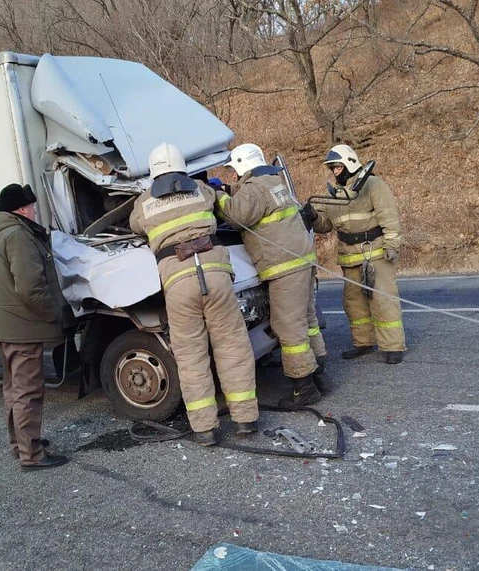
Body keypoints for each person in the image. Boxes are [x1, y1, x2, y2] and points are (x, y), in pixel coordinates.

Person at [130, 143, 259, 446]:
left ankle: (204, 428)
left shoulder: (145, 201)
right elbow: (219, 201)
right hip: (215, 274)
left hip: (178, 281)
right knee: (232, 345)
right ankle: (245, 418)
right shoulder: (201, 189)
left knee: (190, 355)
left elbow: (135, 226)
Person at [215, 143, 330, 408]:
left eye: (234, 171)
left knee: (288, 327)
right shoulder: (273, 181)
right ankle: (320, 375)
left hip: (284, 267)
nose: (234, 177)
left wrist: (218, 195)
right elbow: (250, 201)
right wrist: (230, 190)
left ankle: (304, 388)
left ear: (243, 165)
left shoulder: (255, 189)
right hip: (300, 262)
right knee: (307, 320)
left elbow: (234, 215)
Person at [0, 183, 68, 471]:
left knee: (14, 390)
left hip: (5, 326)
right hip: (23, 328)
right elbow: (30, 287)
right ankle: (33, 455)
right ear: (21, 208)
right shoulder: (18, 234)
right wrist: (54, 314)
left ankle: (21, 445)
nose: (34, 210)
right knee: (28, 391)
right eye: (31, 206)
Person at [303, 144, 406, 364]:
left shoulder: (373, 185)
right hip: (349, 257)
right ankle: (363, 343)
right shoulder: (336, 194)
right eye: (332, 168)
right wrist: (311, 216)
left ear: (349, 163)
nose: (334, 171)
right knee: (354, 302)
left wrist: (392, 246)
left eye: (337, 166)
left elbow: (389, 216)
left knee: (383, 299)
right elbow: (325, 225)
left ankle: (392, 346)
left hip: (375, 252)